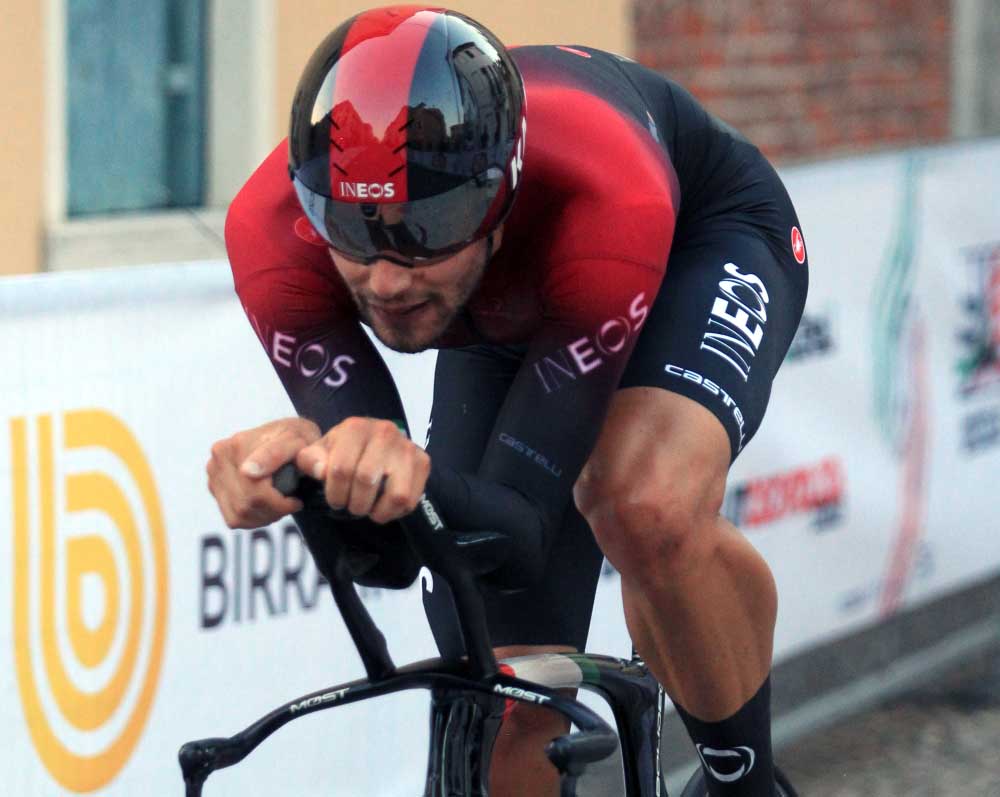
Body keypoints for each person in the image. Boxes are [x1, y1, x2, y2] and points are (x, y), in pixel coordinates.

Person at [207, 6, 807, 796]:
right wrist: (305, 480)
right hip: (500, 300)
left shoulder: (607, 191)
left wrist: (397, 479)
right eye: (352, 231)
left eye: (425, 229)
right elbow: (399, 547)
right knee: (499, 682)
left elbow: (523, 520)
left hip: (690, 235)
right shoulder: (272, 233)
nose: (385, 280)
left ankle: (746, 786)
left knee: (639, 501)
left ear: (500, 196)